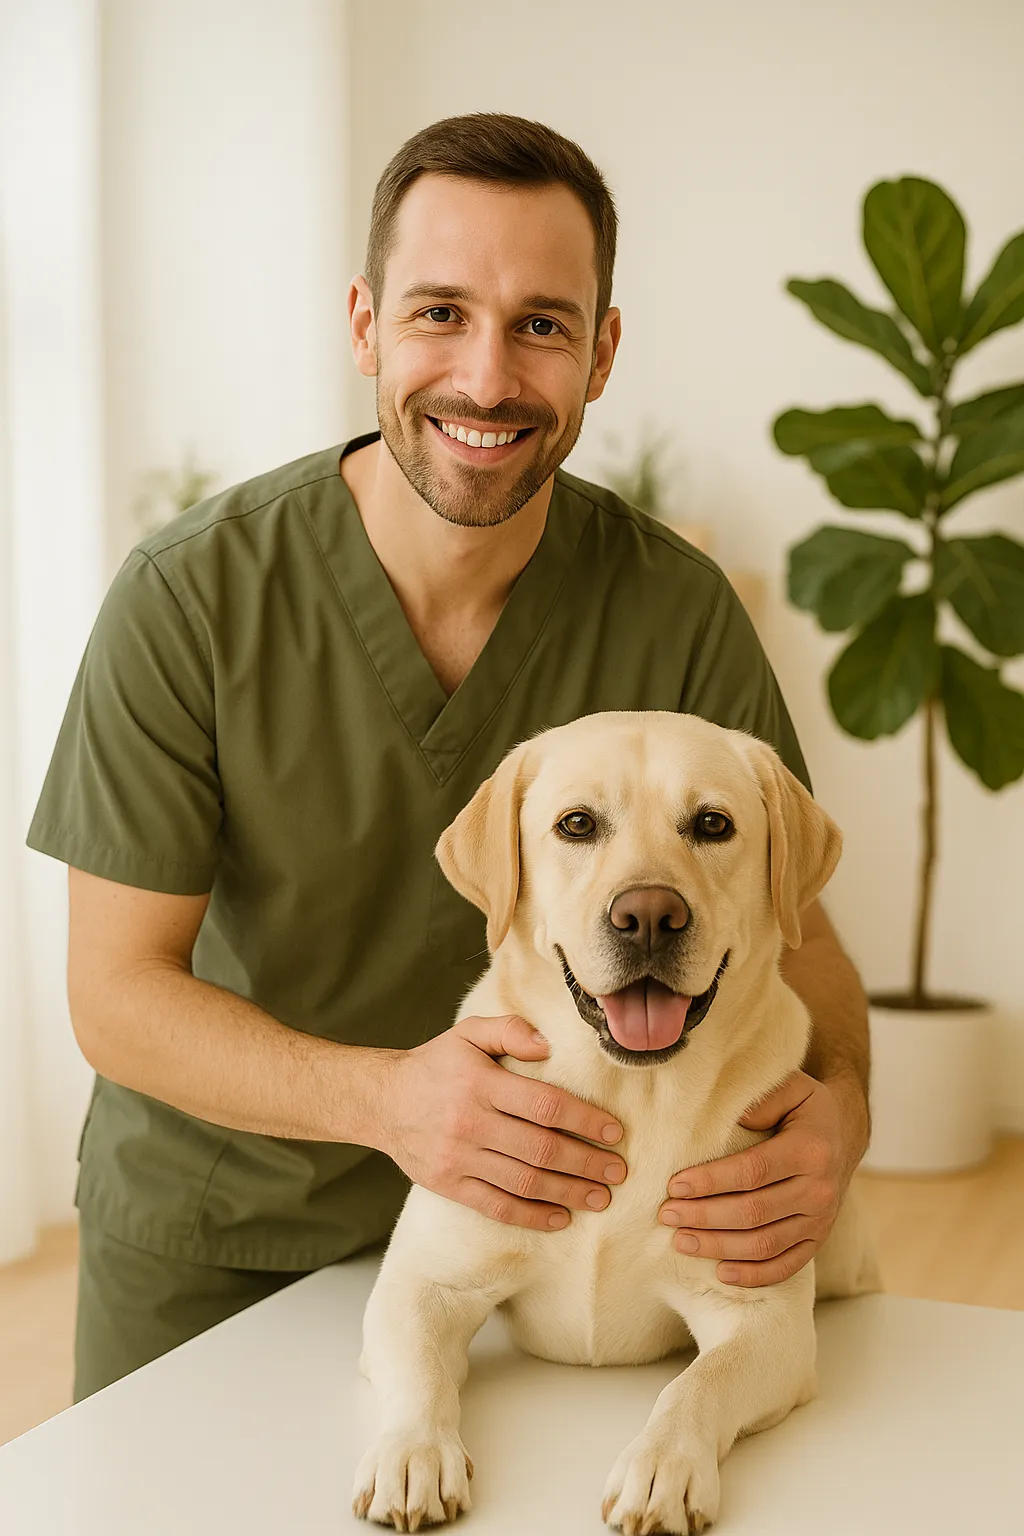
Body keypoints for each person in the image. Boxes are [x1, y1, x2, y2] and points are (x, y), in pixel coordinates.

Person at [28, 113, 871, 1404]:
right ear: (365, 324)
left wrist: (845, 1116)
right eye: (440, 313)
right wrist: (389, 1104)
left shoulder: (677, 610)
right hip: (225, 1239)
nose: (486, 377)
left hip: (567, 1255)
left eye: (542, 323)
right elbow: (116, 994)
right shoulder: (191, 598)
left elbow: (799, 936)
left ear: (601, 352)